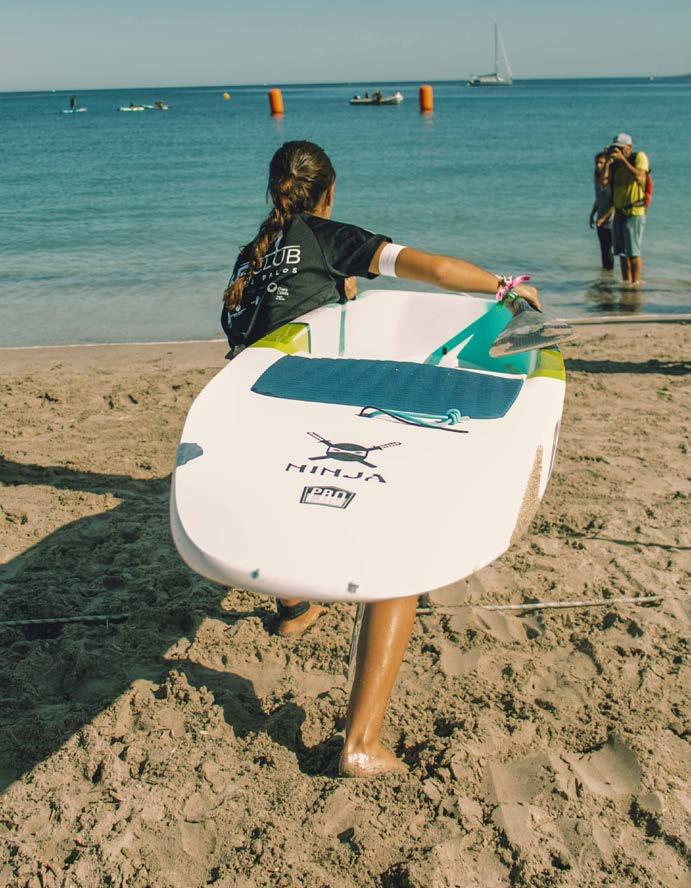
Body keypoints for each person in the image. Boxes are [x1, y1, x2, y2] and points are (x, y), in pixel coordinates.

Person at [221, 140, 539, 777]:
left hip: (246, 415)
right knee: (400, 553)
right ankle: (361, 743)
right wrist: (504, 287)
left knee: (295, 491)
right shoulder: (328, 236)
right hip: (308, 404)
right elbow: (431, 269)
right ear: (329, 192)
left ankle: (293, 606)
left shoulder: (251, 255)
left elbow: (262, 326)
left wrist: (336, 295)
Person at [608, 132, 650, 286]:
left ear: (629, 147)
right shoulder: (615, 165)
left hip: (634, 212)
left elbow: (639, 175)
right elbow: (603, 182)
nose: (618, 151)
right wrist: (607, 162)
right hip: (619, 212)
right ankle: (626, 283)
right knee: (622, 253)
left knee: (633, 252)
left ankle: (636, 283)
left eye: (621, 148)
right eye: (615, 148)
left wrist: (623, 161)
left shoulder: (639, 157)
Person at [589, 152, 614, 271]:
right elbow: (598, 199)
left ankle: (610, 274)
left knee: (608, 249)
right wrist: (592, 214)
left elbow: (615, 204)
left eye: (601, 163)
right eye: (596, 163)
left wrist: (604, 218)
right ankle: (606, 277)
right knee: (603, 249)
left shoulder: (611, 181)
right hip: (600, 219)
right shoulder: (597, 180)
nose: (598, 165)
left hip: (611, 220)